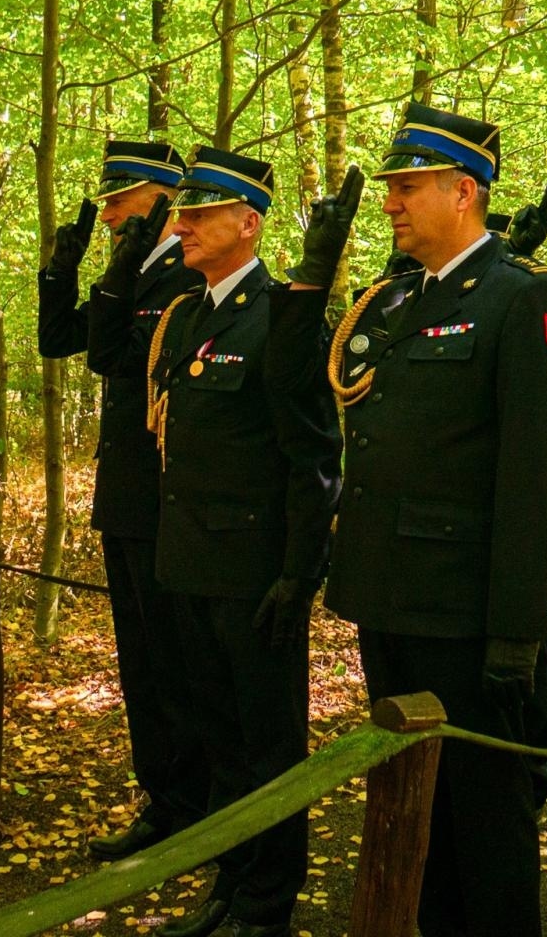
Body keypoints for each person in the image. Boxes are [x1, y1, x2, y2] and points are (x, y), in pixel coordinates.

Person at [271, 101, 547, 937]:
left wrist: (517, 630)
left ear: (466, 191)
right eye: (391, 188)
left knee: (486, 824)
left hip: (467, 615)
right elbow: (295, 385)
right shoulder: (397, 300)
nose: (391, 202)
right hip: (390, 600)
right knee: (420, 813)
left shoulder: (524, 302)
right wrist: (313, 274)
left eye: (408, 186)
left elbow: (538, 480)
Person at [141, 146, 342, 937]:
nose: (181, 226)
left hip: (254, 576)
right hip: (189, 564)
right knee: (218, 741)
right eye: (182, 211)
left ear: (248, 223)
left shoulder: (283, 317)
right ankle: (228, 885)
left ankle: (267, 905)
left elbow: (313, 459)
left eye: (198, 213)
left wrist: (298, 576)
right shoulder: (188, 314)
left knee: (268, 746)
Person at [36, 139, 208, 861]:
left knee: (176, 661)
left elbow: (113, 355)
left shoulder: (188, 274)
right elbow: (57, 339)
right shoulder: (130, 267)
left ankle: (195, 805)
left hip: (169, 498)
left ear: (162, 197)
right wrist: (59, 270)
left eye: (119, 199)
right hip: (126, 496)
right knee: (140, 662)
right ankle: (162, 799)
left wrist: (113, 274)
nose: (107, 215)